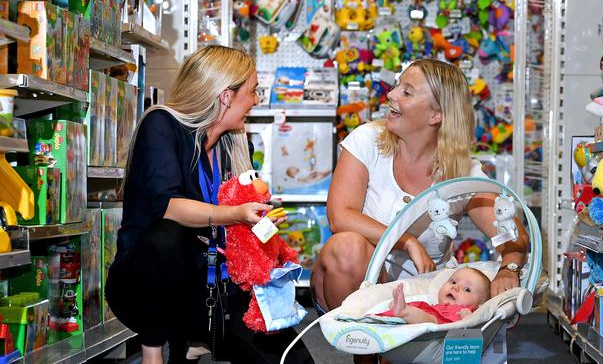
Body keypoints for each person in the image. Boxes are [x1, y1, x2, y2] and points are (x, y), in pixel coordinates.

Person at [105, 46, 313, 364]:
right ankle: (154, 353)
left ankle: (195, 342)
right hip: (148, 287)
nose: (256, 100)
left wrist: (260, 220)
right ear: (226, 96)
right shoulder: (160, 125)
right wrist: (235, 215)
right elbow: (168, 206)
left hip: (215, 291)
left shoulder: (236, 144)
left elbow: (239, 228)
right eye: (253, 91)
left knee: (290, 358)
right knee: (166, 235)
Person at [310, 58, 529, 317]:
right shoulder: (366, 141)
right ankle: (365, 352)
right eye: (396, 86)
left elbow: (513, 236)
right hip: (355, 284)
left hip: (424, 297)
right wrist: (407, 241)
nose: (391, 94)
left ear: (436, 115)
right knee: (347, 246)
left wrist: (509, 269)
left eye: (406, 91)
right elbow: (339, 216)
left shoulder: (463, 172)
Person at [380, 267, 491, 324]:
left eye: (467, 289)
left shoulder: (464, 312)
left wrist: (470, 317)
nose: (455, 287)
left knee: (431, 319)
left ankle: (403, 310)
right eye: (453, 282)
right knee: (420, 306)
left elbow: (473, 325)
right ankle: (400, 309)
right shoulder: (433, 305)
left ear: (479, 305)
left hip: (439, 326)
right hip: (425, 316)